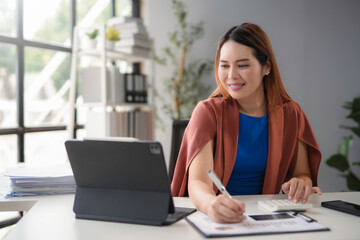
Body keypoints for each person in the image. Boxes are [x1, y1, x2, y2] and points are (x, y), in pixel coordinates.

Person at [171, 23, 322, 223]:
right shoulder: (207, 112)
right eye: (224, 65)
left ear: (266, 66)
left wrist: (300, 183)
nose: (231, 75)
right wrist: (210, 204)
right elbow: (198, 181)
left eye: (242, 65)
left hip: (265, 218)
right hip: (214, 218)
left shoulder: (291, 113)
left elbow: (303, 174)